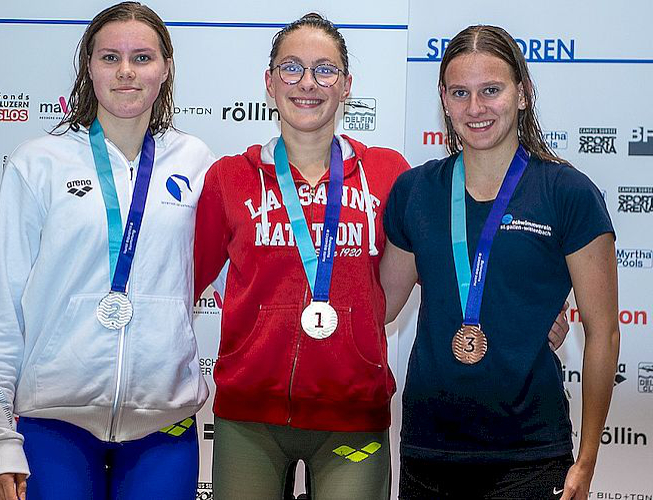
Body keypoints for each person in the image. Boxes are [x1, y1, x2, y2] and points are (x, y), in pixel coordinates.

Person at [194, 15, 571, 500]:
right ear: (269, 82)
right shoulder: (229, 178)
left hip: (353, 415)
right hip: (249, 416)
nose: (308, 83)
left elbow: (456, 258)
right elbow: (178, 283)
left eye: (325, 70)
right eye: (291, 68)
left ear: (347, 85)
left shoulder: (389, 173)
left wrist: (527, 316)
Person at [0, 3, 214, 500]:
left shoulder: (198, 162)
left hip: (163, 424)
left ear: (165, 68)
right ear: (89, 67)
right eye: (110, 57)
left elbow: (241, 281)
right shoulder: (38, 163)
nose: (126, 71)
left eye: (142, 57)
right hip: (53, 422)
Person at [380, 25, 620, 500]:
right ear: (444, 101)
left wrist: (587, 460)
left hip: (530, 454)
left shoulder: (567, 193)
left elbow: (605, 333)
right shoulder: (417, 191)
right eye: (460, 93)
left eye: (491, 90)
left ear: (523, 94)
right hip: (430, 450)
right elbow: (379, 307)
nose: (475, 108)